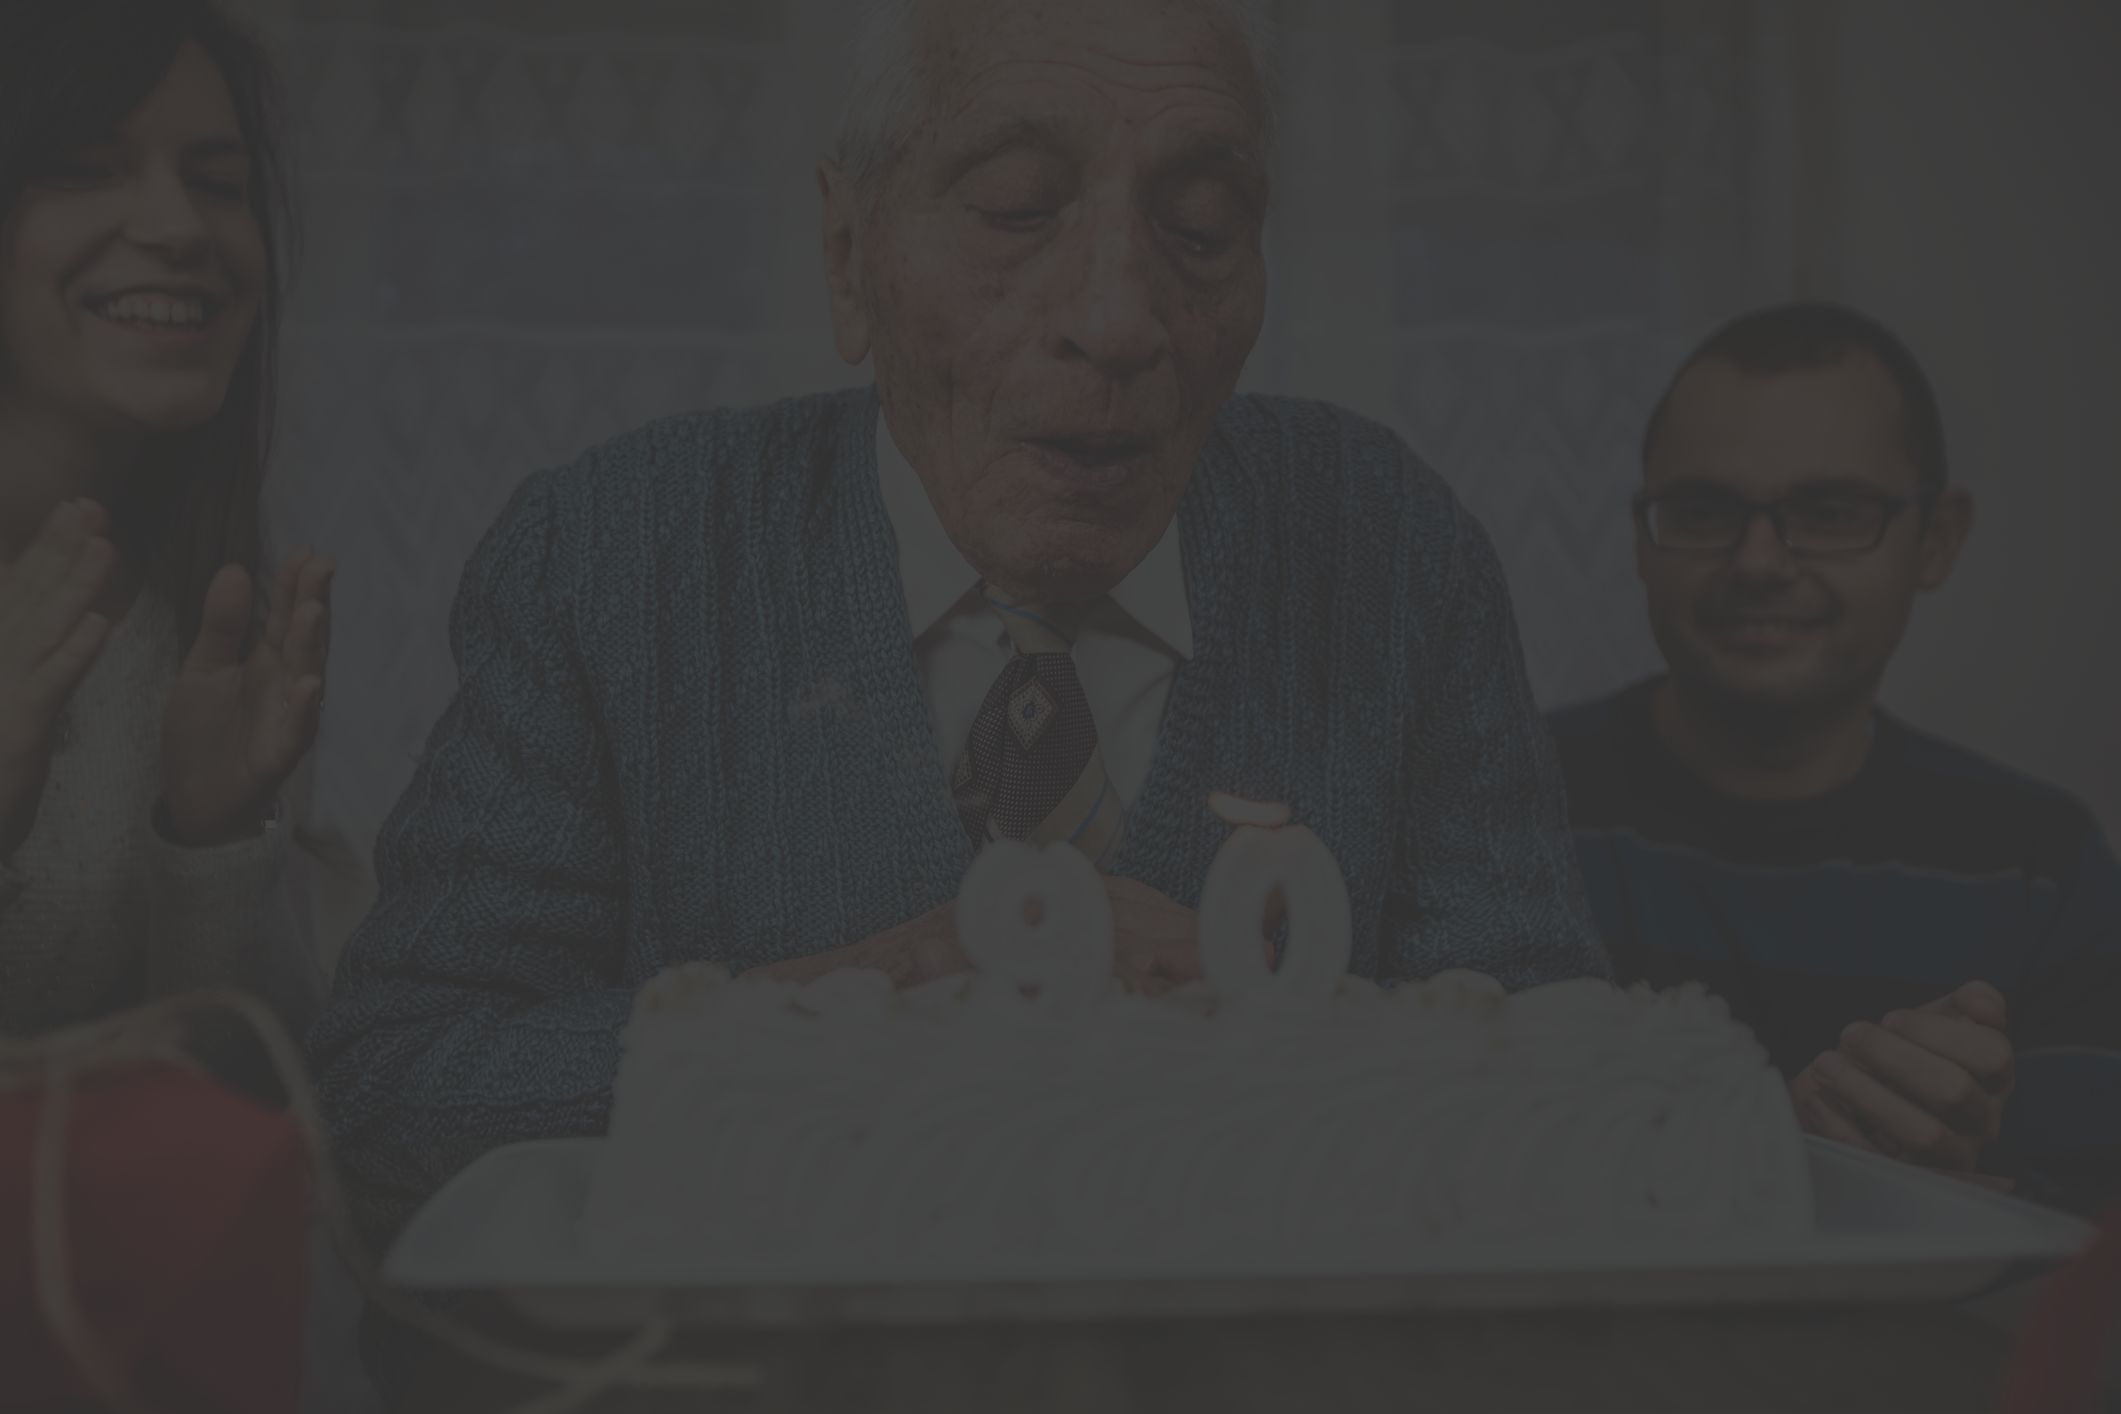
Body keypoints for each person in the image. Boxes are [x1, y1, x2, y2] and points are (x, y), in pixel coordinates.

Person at [310, 0, 1609, 1250]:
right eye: (1015, 210)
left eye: (1202, 224)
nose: (1116, 319)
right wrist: (841, 1017)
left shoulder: (1391, 549)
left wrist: (1285, 1023)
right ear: (849, 256)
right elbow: (395, 1098)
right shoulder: (608, 560)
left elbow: (1584, 1103)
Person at [1552, 302, 2121, 1206]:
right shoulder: (1506, 806)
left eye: (1828, 511)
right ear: (1638, 538)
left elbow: (2089, 1253)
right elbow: (1419, 1172)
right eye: (1703, 510)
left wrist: (1939, 1176)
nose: (1760, 561)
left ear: (1935, 540)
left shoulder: (2038, 866)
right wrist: (1796, 1157)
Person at [0, 0, 341, 1033]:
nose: (182, 228)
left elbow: (223, 1117)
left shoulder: (194, 618)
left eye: (218, 183)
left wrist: (213, 839)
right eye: (89, 165)